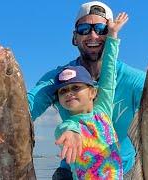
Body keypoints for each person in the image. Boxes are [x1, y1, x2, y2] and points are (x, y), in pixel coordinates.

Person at [27, 1, 146, 179]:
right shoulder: (60, 78)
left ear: (93, 92)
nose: (93, 35)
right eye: (84, 29)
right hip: (74, 172)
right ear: (74, 37)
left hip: (124, 171)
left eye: (101, 29)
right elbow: (24, 110)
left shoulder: (132, 82)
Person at [51, 12, 127, 179]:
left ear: (93, 92)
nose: (69, 92)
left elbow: (109, 70)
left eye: (76, 87)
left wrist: (113, 35)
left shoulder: (103, 109)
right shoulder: (70, 125)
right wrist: (71, 135)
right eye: (63, 91)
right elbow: (66, 131)